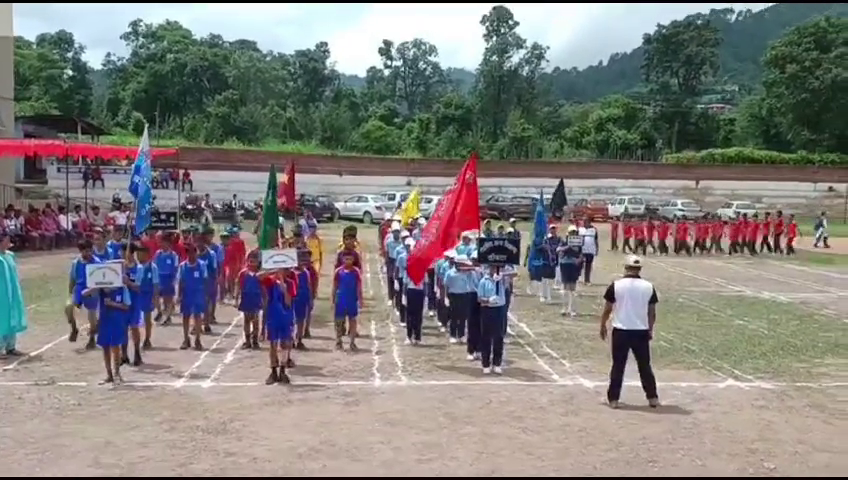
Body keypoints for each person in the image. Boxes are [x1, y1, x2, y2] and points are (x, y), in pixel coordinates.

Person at [599, 255, 660, 409]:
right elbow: (652, 312)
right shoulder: (648, 286)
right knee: (645, 366)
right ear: (639, 269)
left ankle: (613, 399)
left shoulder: (616, 285)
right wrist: (650, 329)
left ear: (625, 268)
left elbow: (607, 308)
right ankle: (652, 397)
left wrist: (602, 324)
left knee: (618, 366)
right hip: (640, 331)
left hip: (621, 330)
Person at [92, 281, 132, 384]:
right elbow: (85, 293)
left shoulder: (122, 288)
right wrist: (95, 285)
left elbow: (127, 306)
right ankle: (109, 375)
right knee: (105, 347)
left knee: (115, 347)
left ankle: (117, 374)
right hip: (104, 320)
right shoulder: (101, 288)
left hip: (117, 321)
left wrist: (112, 304)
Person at [65, 239, 101, 349]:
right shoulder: (76, 263)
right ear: (81, 251)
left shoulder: (97, 263)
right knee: (68, 307)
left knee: (92, 316)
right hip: (79, 289)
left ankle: (92, 338)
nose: (88, 253)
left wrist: (92, 290)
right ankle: (74, 328)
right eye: (85, 251)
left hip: (92, 289)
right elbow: (72, 279)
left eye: (90, 251)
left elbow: (100, 281)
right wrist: (71, 291)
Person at [265, 269, 294, 385]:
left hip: (286, 316)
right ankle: (273, 371)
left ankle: (282, 370)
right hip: (273, 316)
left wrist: (283, 284)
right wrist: (272, 271)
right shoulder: (271, 282)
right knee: (273, 344)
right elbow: (258, 277)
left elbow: (288, 302)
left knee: (285, 344)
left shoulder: (290, 283)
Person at [0, 232, 26, 356]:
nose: (8, 242)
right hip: (2, 293)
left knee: (13, 317)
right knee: (2, 319)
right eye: (6, 240)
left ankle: (11, 346)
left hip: (12, 291)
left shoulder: (10, 255)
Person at [477, 263, 506, 375]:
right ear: (490, 268)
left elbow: (514, 274)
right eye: (493, 268)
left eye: (497, 268)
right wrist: (488, 300)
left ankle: (497, 363)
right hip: (488, 310)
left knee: (499, 337)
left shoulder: (502, 279)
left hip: (499, 309)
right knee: (486, 337)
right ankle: (486, 364)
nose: (496, 270)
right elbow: (479, 299)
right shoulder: (484, 281)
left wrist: (502, 276)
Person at [178, 244, 207, 351]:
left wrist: (205, 295)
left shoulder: (202, 265)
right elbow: (181, 281)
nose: (191, 255)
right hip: (187, 295)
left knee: (197, 316)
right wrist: (179, 295)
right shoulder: (182, 266)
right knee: (186, 317)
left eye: (193, 252)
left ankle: (198, 339)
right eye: (188, 252)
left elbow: (205, 280)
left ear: (196, 253)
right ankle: (186, 339)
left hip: (198, 294)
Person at [332, 251, 362, 351]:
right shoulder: (338, 271)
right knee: (339, 322)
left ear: (353, 260)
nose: (348, 261)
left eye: (350, 259)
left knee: (353, 321)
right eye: (346, 259)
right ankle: (338, 341)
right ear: (342, 260)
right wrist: (333, 299)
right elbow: (335, 286)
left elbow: (358, 287)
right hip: (341, 300)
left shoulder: (356, 271)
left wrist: (360, 299)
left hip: (352, 300)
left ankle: (352, 342)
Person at [236, 252, 264, 349]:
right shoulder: (243, 273)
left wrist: (265, 299)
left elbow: (263, 288)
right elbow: (238, 285)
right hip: (246, 298)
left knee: (255, 320)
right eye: (250, 260)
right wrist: (237, 298)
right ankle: (247, 340)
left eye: (254, 261)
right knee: (246, 320)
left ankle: (255, 340)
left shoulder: (260, 274)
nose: (252, 263)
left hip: (256, 299)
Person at [557, 226, 583, 317]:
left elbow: (581, 254)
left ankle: (572, 309)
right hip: (565, 264)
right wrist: (568, 246)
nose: (573, 234)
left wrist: (578, 260)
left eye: (574, 232)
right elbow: (558, 250)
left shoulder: (579, 242)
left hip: (573, 265)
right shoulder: (564, 241)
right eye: (571, 232)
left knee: (572, 287)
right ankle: (564, 308)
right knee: (565, 287)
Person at [404, 240, 426, 345]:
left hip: (419, 291)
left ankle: (417, 336)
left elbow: (425, 281)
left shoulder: (422, 266)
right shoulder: (409, 265)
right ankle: (409, 336)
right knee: (410, 315)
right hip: (411, 290)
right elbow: (405, 281)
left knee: (418, 316)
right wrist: (404, 294)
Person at [154, 234, 179, 325]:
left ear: (169, 244)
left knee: (167, 299)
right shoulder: (158, 254)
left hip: (169, 278)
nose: (162, 244)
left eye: (165, 242)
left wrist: (174, 280)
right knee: (155, 296)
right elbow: (154, 265)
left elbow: (176, 268)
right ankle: (159, 311)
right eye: (162, 242)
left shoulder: (173, 255)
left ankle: (168, 317)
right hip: (159, 277)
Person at [579, 218, 598, 284]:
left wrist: (597, 250)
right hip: (581, 250)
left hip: (590, 250)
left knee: (588, 266)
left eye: (586, 222)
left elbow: (596, 240)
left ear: (589, 222)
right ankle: (578, 277)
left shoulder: (594, 230)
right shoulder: (580, 229)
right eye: (584, 222)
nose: (584, 223)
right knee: (579, 265)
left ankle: (587, 280)